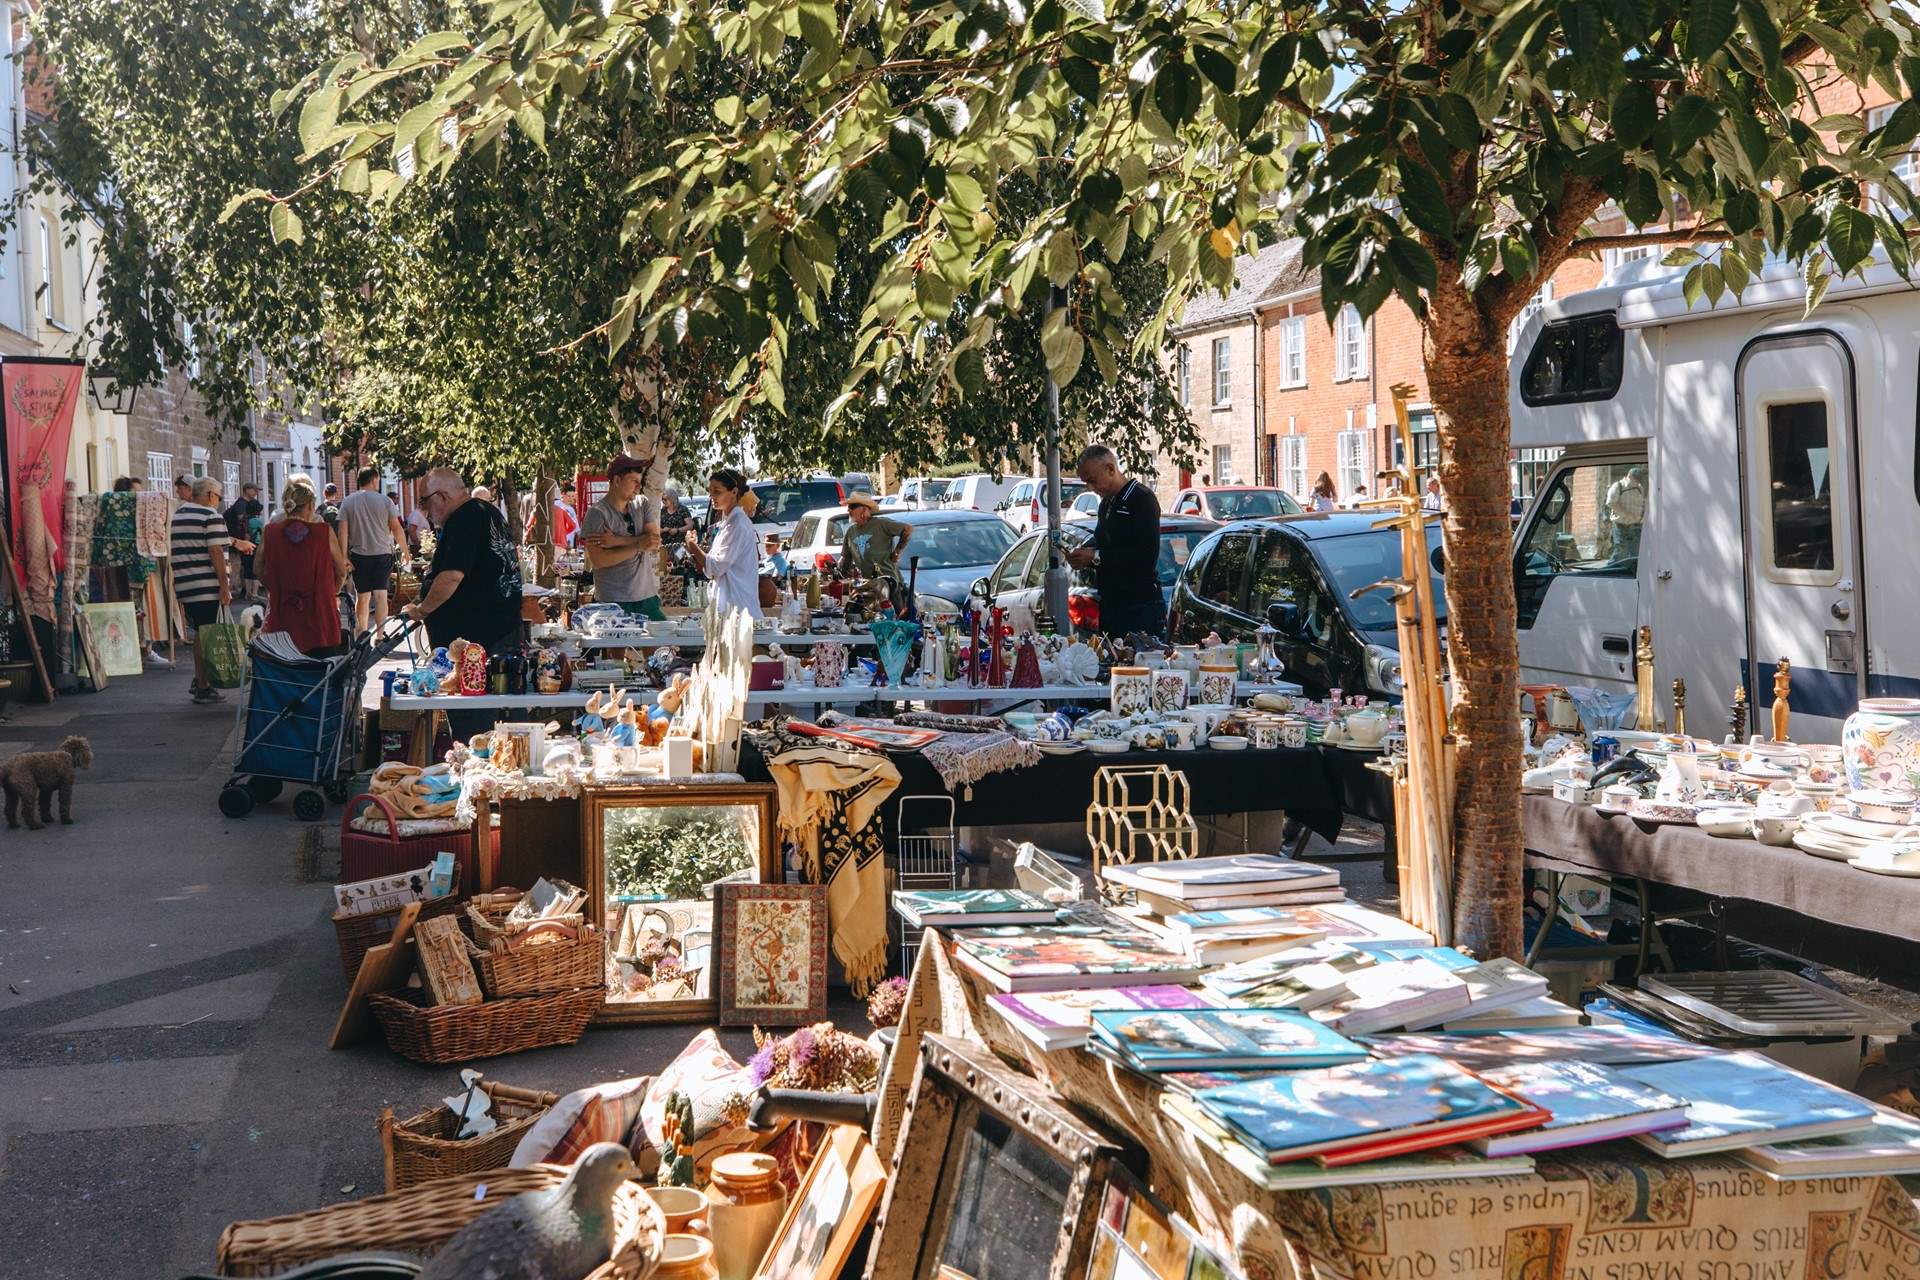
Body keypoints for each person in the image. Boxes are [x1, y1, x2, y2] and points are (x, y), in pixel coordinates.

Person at [404, 467, 525, 652]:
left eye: (424, 501)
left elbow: (451, 576)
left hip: (479, 641)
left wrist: (422, 610)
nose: (424, 509)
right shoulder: (487, 510)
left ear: (442, 496)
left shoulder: (464, 518)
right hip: (498, 631)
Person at [1065, 445, 1164, 638]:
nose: (1091, 489)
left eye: (1093, 481)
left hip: (1139, 605)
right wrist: (1083, 552)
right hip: (1111, 603)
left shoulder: (1141, 498)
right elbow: (1104, 540)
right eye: (1086, 483)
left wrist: (1095, 556)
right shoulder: (1107, 503)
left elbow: (1145, 556)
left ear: (1110, 469)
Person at [257, 475, 349, 657]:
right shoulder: (323, 532)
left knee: (284, 667)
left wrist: (275, 588)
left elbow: (258, 568)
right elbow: (341, 570)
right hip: (320, 611)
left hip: (283, 610)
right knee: (320, 669)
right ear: (310, 506)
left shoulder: (271, 531)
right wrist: (332, 592)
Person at [171, 477, 233, 704]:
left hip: (187, 584)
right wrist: (224, 586)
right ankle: (203, 685)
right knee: (207, 635)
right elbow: (216, 551)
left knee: (201, 632)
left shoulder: (179, 515)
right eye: (218, 495)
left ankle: (200, 681)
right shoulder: (211, 516)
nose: (218, 500)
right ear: (209, 495)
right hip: (206, 585)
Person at [582, 454, 666, 619]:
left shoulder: (642, 503)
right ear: (617, 481)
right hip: (613, 599)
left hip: (646, 596)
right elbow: (599, 560)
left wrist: (617, 541)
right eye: (634, 481)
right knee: (617, 646)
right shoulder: (597, 514)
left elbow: (655, 541)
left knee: (661, 643)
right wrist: (639, 545)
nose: (638, 487)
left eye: (639, 482)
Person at [683, 467, 763, 617]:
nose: (711, 496)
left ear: (733, 492)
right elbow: (714, 566)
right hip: (731, 609)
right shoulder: (728, 523)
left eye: (717, 491)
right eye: (710, 491)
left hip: (738, 611)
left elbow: (715, 567)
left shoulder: (737, 524)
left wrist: (692, 546)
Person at [339, 465, 408, 635]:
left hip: (359, 555)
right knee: (381, 595)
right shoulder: (385, 501)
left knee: (362, 596)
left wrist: (343, 556)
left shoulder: (348, 502)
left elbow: (343, 532)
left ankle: (361, 631)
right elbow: (397, 528)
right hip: (382, 554)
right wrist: (405, 550)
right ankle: (379, 634)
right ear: (374, 479)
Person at [838, 492, 911, 605]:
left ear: (864, 510)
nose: (849, 510)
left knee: (894, 617)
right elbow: (846, 560)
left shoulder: (881, 523)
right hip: (867, 585)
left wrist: (897, 551)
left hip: (889, 583)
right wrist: (842, 573)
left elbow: (907, 529)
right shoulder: (851, 531)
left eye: (852, 507)